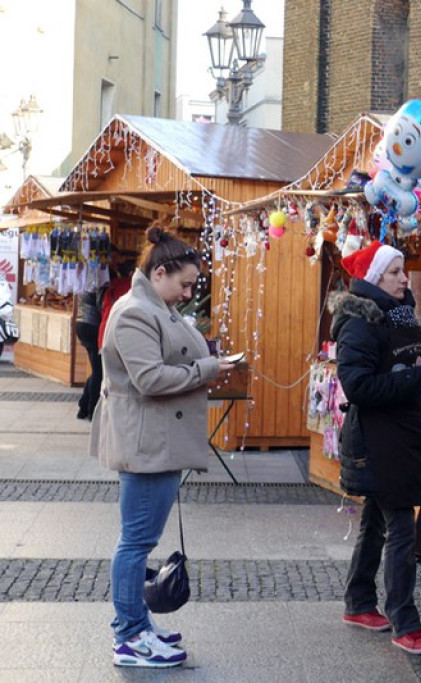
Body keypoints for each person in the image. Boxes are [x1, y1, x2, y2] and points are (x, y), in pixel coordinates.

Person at [90, 225, 233, 668]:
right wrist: (206, 369)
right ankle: (129, 636)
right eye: (185, 284)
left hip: (157, 440)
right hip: (146, 442)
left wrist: (208, 363)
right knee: (135, 543)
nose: (189, 293)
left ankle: (139, 628)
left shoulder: (154, 307)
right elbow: (149, 378)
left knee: (139, 539)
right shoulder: (135, 311)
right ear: (160, 273)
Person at [330, 240, 421, 656]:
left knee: (377, 521)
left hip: (399, 434)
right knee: (399, 526)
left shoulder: (398, 314)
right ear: (376, 277)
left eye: (402, 270)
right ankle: (405, 622)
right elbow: (357, 386)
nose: (403, 278)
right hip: (376, 441)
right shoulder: (360, 322)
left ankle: (359, 603)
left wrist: (419, 376)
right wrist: (416, 379)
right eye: (395, 272)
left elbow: (394, 372)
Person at [75, 288, 102, 420]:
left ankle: (84, 407)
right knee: (99, 372)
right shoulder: (103, 281)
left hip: (82, 324)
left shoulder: (89, 279)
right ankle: (92, 410)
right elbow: (101, 304)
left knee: (97, 370)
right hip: (93, 326)